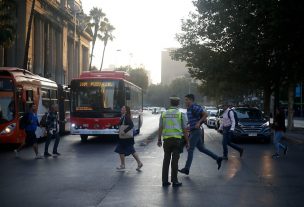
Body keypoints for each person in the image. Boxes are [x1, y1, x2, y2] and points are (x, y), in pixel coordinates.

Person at [179, 94, 223, 176]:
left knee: (190, 149)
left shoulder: (194, 107)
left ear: (191, 100)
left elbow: (205, 114)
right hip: (193, 130)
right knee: (202, 149)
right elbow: (194, 119)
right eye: (185, 100)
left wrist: (199, 122)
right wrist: (189, 125)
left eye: (187, 100)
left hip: (196, 131)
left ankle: (186, 168)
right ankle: (218, 158)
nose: (185, 101)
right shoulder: (188, 108)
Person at [158, 96, 189, 187]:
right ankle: (174, 181)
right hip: (177, 141)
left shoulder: (164, 114)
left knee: (166, 160)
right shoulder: (181, 114)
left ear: (170, 103)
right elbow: (185, 129)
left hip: (167, 140)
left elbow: (160, 128)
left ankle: (164, 181)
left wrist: (159, 139)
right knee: (175, 161)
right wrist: (187, 142)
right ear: (178, 103)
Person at [115, 106, 143, 171]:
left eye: (123, 108)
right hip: (123, 138)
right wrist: (119, 130)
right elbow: (122, 125)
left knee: (131, 150)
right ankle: (123, 165)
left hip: (127, 138)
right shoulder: (123, 116)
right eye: (121, 108)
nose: (121, 109)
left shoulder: (126, 117)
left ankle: (139, 163)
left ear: (126, 110)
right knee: (120, 150)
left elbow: (131, 125)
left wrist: (124, 132)